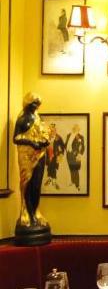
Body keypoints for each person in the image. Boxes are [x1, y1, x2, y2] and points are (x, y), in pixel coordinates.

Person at [13, 93, 51, 237]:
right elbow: (16, 138)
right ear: (27, 104)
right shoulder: (22, 120)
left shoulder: (39, 119)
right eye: (34, 104)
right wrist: (30, 142)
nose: (36, 107)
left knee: (37, 185)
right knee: (27, 184)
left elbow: (45, 134)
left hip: (39, 155)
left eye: (38, 104)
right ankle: (27, 213)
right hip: (26, 156)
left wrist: (45, 141)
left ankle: (35, 211)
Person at [65, 123, 86, 191]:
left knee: (76, 170)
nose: (75, 130)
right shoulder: (68, 135)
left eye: (76, 129)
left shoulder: (80, 137)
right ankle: (72, 181)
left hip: (75, 155)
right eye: (74, 128)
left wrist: (79, 154)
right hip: (68, 154)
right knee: (71, 168)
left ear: (78, 129)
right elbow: (65, 144)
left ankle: (77, 185)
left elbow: (83, 147)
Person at [44, 123, 65, 190]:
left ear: (55, 130)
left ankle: (54, 181)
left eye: (53, 130)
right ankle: (49, 179)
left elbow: (63, 146)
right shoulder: (47, 137)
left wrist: (61, 154)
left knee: (53, 168)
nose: (52, 131)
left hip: (55, 155)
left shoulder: (58, 137)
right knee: (49, 168)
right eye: (51, 130)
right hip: (48, 155)